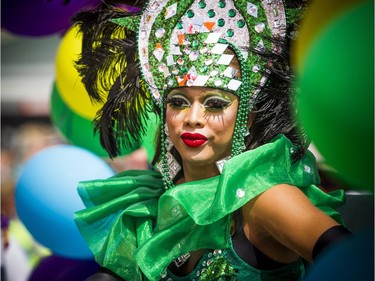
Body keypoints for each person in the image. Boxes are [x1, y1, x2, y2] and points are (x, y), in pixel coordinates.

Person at [71, 0, 352, 280]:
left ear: (247, 116)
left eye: (215, 104)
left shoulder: (264, 197)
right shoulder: (148, 205)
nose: (193, 118)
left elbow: (355, 261)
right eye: (178, 102)